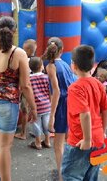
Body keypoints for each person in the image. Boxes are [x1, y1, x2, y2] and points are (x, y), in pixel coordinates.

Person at [0, 16, 37, 181]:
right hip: (7, 104)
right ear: (14, 31)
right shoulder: (18, 53)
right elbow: (25, 85)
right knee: (4, 146)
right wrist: (33, 107)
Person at [62, 45, 107, 180]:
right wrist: (103, 131)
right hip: (98, 137)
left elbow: (85, 114)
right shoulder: (98, 84)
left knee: (71, 175)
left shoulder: (75, 88)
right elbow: (106, 109)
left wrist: (87, 139)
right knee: (91, 176)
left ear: (74, 65)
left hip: (80, 140)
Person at [43, 37, 76, 180]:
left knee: (58, 143)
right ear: (62, 50)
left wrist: (51, 116)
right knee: (70, 140)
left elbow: (56, 92)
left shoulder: (50, 66)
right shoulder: (66, 64)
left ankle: (62, 175)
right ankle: (71, 170)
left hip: (61, 104)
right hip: (72, 103)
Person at [15, 38, 37, 140]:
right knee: (34, 110)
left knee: (24, 111)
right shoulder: (37, 61)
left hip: (26, 89)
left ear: (27, 50)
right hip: (35, 88)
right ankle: (36, 131)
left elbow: (22, 76)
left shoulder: (25, 61)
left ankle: (23, 133)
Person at [28, 57, 51, 150]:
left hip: (35, 106)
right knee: (46, 124)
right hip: (47, 105)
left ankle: (38, 142)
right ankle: (47, 141)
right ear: (42, 66)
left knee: (36, 124)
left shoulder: (29, 79)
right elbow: (50, 91)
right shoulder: (46, 77)